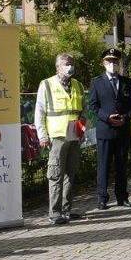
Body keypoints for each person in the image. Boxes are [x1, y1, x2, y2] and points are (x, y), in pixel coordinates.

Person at [35, 53, 87, 225]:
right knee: (56, 174)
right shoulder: (47, 84)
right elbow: (39, 113)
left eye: (71, 63)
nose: (69, 66)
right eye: (66, 64)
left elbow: (83, 112)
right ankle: (54, 213)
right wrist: (42, 135)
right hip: (57, 136)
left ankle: (66, 210)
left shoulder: (78, 85)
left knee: (71, 174)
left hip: (74, 135)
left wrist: (82, 130)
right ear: (58, 67)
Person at [88, 48, 131, 209]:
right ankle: (102, 199)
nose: (112, 64)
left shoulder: (127, 82)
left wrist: (125, 117)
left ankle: (122, 197)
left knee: (122, 166)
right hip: (105, 130)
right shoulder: (96, 82)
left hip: (122, 130)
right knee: (103, 166)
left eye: (115, 61)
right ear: (103, 63)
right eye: (109, 61)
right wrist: (106, 117)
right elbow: (93, 106)